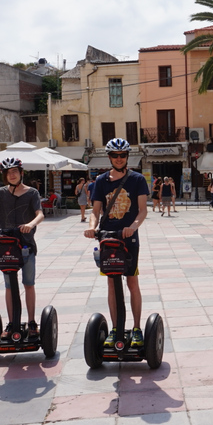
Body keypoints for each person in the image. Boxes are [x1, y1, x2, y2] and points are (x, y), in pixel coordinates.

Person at [84, 138, 149, 347]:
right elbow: (95, 211)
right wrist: (92, 227)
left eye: (122, 155)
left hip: (129, 237)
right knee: (111, 283)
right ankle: (114, 329)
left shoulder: (137, 179)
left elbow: (142, 210)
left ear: (127, 157)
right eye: (115, 155)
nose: (119, 159)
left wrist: (133, 226)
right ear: (109, 157)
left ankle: (137, 328)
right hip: (108, 237)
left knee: (132, 281)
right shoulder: (101, 181)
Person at [0, 158, 45, 339]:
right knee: (9, 286)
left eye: (15, 171)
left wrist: (30, 224)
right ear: (5, 175)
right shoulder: (0, 193)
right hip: (6, 245)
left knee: (28, 284)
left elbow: (40, 214)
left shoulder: (32, 193)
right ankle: (11, 322)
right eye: (8, 172)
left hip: (26, 245)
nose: (12, 174)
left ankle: (31, 322)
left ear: (21, 173)